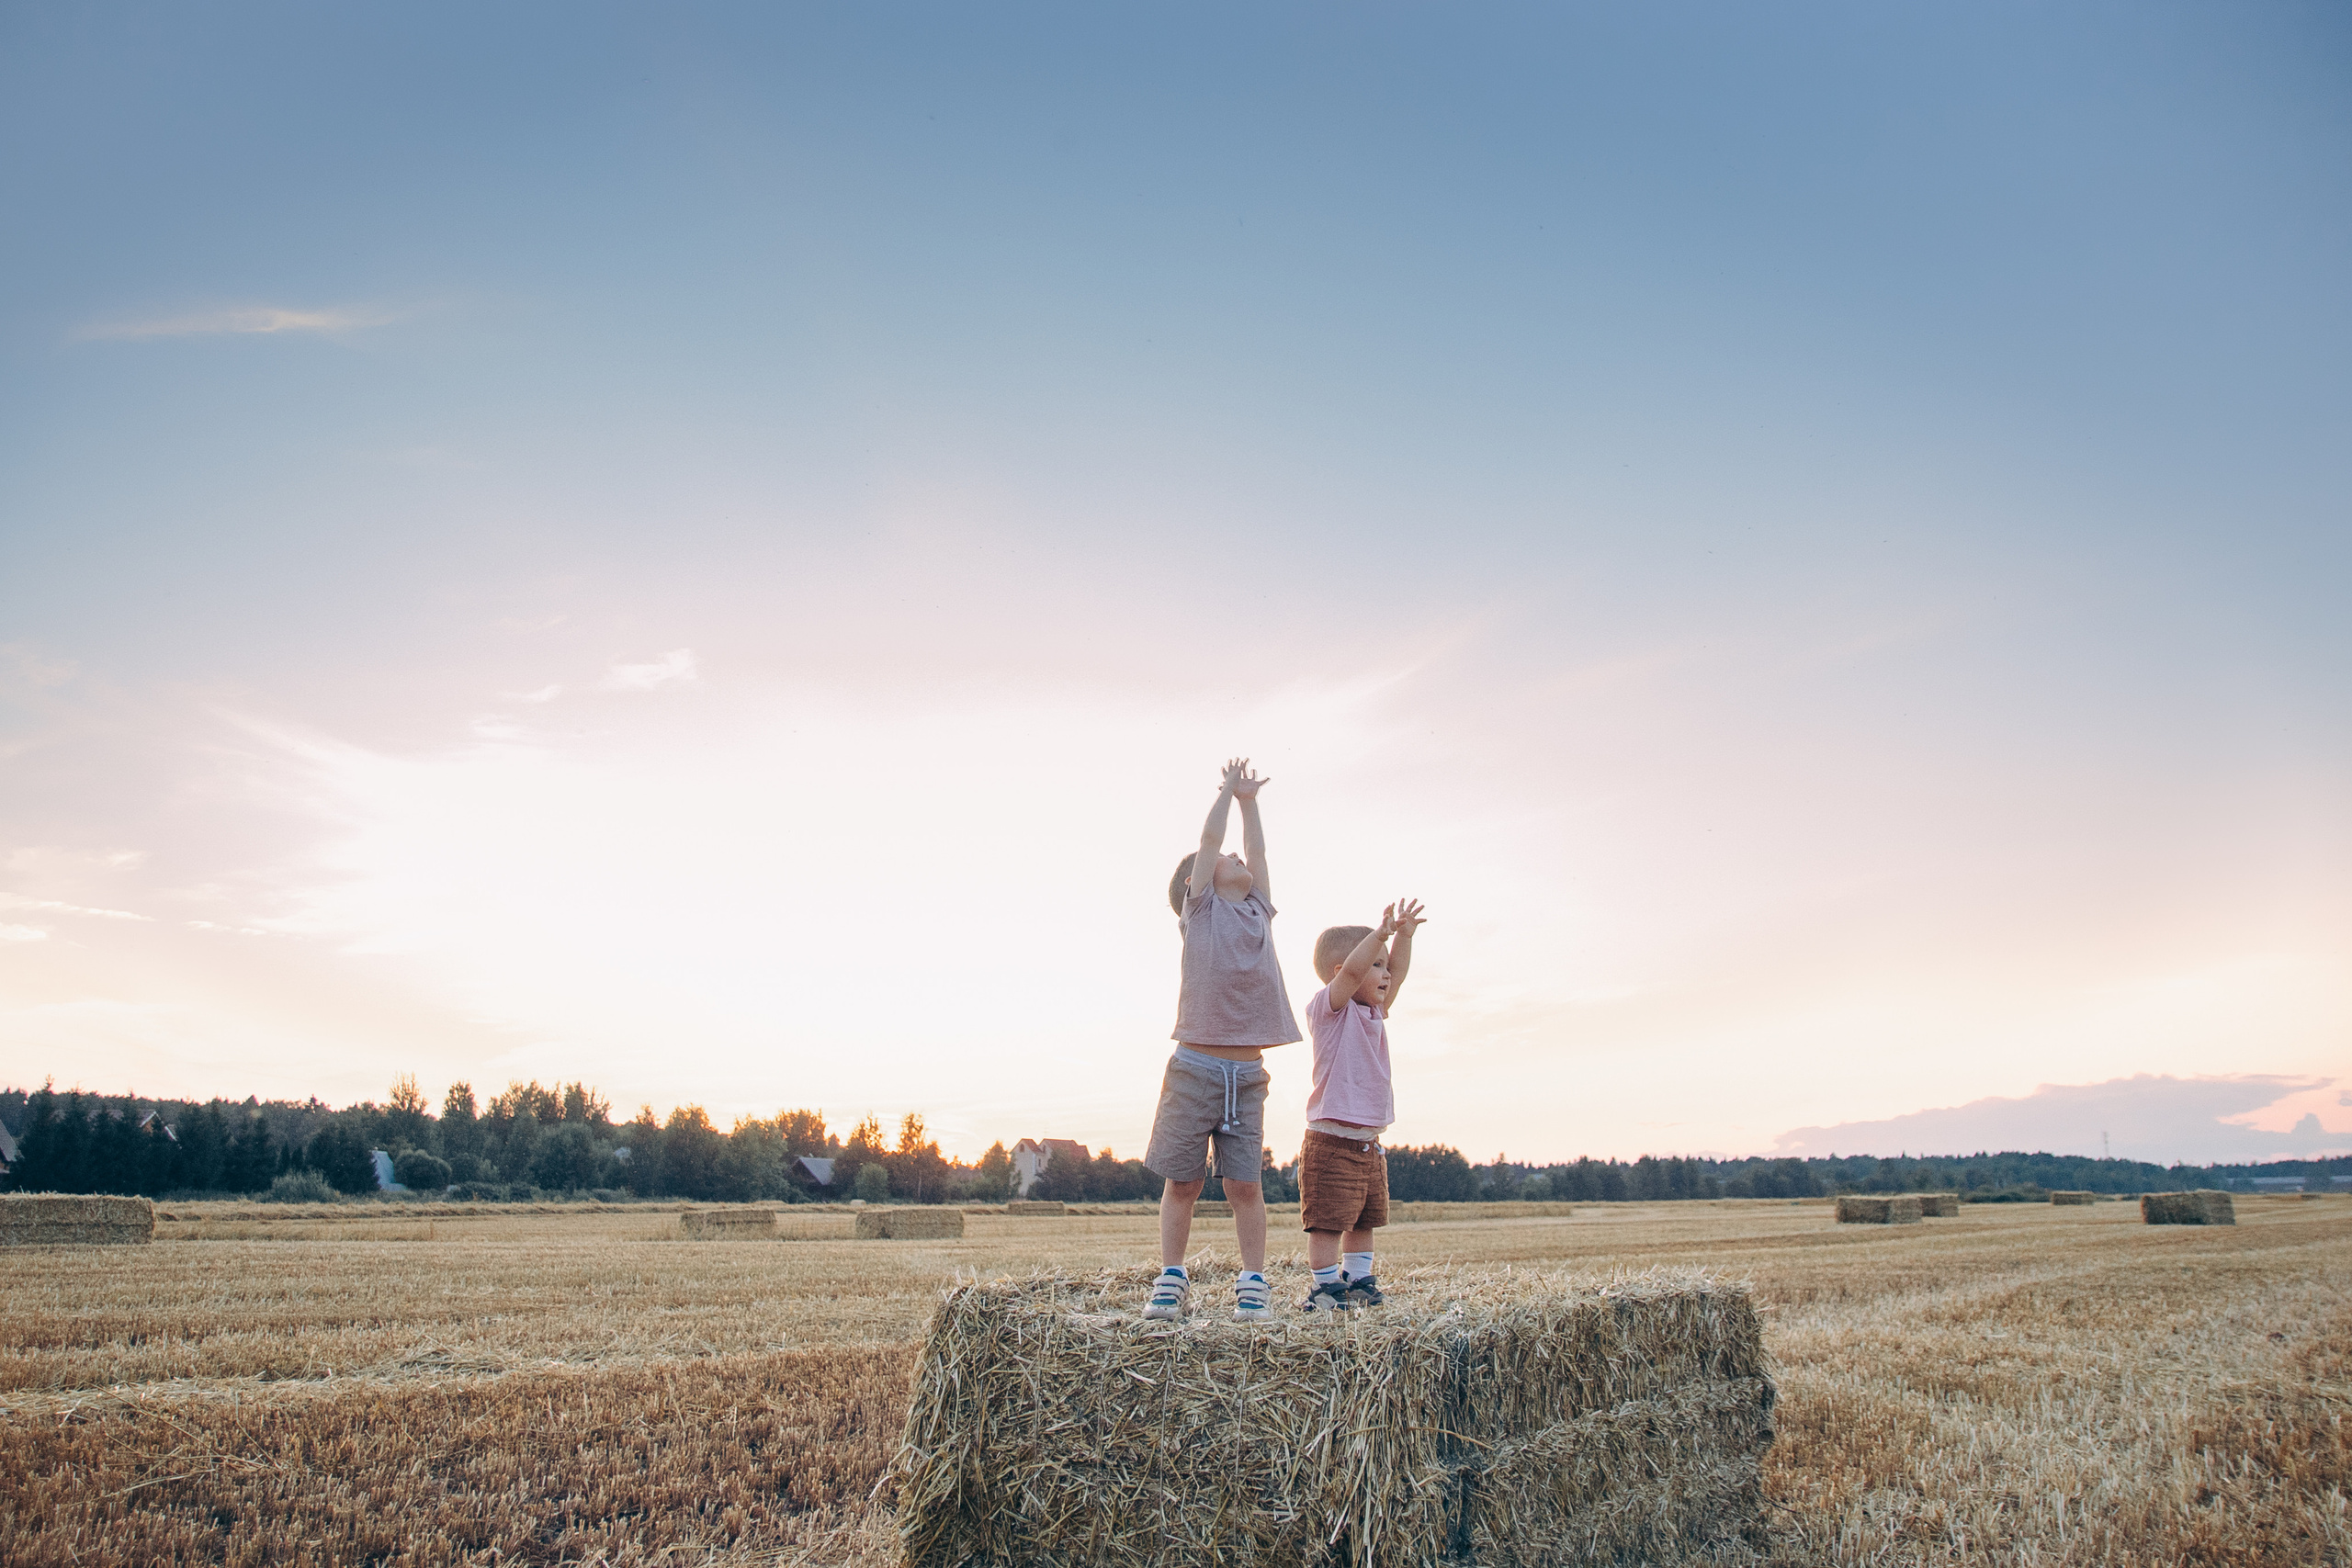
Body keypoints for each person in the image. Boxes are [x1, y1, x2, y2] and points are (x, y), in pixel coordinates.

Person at [1142, 758, 1301, 1323]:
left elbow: (1257, 856)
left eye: (1238, 858)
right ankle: (1171, 1277)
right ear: (1198, 883)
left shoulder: (1258, 910)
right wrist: (1226, 796)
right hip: (1195, 1070)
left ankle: (1253, 1281)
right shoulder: (1201, 911)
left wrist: (1252, 805)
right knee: (1183, 1181)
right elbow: (1211, 839)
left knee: (1244, 1186)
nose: (1238, 859)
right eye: (1224, 860)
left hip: (1247, 1077)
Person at [1297, 898, 1425, 1312]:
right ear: (1342, 973)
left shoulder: (1374, 1012)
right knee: (1330, 1220)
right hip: (1331, 1141)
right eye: (1377, 965)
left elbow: (1399, 975)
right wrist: (1380, 934)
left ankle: (1358, 1279)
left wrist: (1403, 938)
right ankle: (1324, 1287)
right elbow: (1354, 972)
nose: (1386, 974)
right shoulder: (1329, 1009)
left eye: (1385, 965)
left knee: (1364, 1218)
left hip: (1368, 1143)